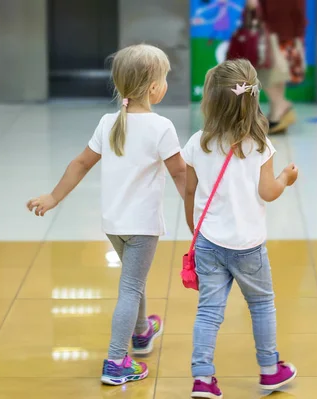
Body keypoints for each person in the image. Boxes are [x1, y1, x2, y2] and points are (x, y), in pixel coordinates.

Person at [26, 44, 186, 386]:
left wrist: (54, 197)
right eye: (165, 79)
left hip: (114, 223)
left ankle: (142, 333)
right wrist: (197, 207)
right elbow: (181, 175)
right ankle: (116, 360)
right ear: (155, 88)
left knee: (133, 278)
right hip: (143, 226)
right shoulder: (161, 127)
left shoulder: (108, 122)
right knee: (130, 287)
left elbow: (81, 163)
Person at [182, 59, 299, 399]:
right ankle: (269, 370)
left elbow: (190, 191)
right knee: (261, 305)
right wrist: (286, 179)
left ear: (211, 102)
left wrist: (194, 227)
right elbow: (268, 192)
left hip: (208, 242)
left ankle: (202, 378)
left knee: (209, 310)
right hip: (248, 245)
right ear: (253, 101)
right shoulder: (260, 144)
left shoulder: (197, 142)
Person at [247, 0, 306, 134]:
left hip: (274, 33)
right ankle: (277, 112)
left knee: (269, 73)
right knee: (274, 75)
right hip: (278, 32)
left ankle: (281, 107)